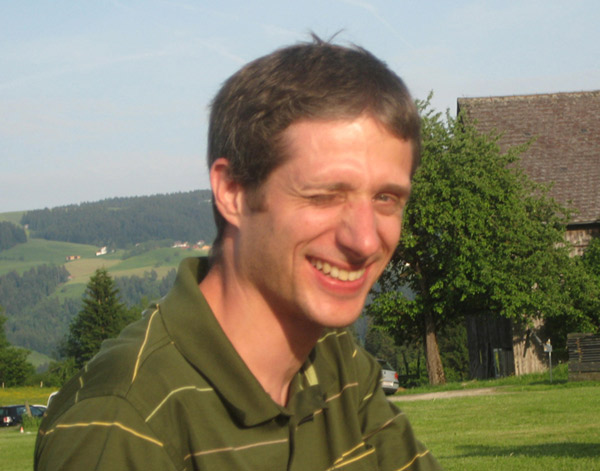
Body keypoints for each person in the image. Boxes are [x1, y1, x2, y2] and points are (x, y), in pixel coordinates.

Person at [35, 37, 442, 471]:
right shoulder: (122, 423)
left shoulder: (338, 365)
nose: (364, 241)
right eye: (325, 195)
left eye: (386, 198)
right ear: (233, 192)